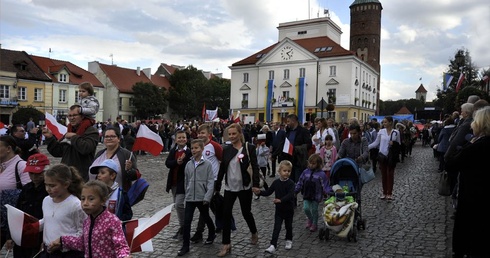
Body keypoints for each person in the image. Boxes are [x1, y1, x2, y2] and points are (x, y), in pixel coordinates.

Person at [446, 106, 490, 258]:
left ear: (482, 124)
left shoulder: (478, 145)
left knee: (473, 238)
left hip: (473, 199)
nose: (472, 125)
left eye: (475, 122)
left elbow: (451, 162)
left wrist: (467, 145)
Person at [48, 180, 132, 258]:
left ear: (103, 200)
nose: (85, 203)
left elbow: (120, 245)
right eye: (83, 199)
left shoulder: (113, 221)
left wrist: (124, 256)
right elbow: (83, 243)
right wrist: (62, 241)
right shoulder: (87, 221)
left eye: (91, 199)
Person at [215, 123, 260, 257]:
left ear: (240, 134)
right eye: (230, 134)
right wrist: (217, 185)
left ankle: (253, 231)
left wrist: (255, 184)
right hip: (230, 187)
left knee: (246, 212)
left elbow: (255, 166)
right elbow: (223, 168)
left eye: (234, 134)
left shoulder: (249, 148)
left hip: (244, 186)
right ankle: (226, 244)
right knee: (226, 214)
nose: (232, 136)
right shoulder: (226, 150)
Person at [5, 153, 50, 258]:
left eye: (38, 173)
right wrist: (10, 236)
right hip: (23, 236)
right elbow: (16, 212)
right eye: (31, 173)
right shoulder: (26, 189)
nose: (34, 177)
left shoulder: (50, 191)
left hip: (41, 236)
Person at [178, 139, 216, 256]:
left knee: (206, 216)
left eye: (196, 148)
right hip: (190, 197)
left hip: (202, 197)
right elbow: (186, 180)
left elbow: (210, 181)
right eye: (192, 148)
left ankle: (212, 232)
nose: (194, 150)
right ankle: (185, 246)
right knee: (187, 221)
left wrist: (207, 196)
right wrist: (187, 193)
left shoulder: (207, 164)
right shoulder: (189, 164)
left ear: (202, 149)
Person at [42, 104, 99, 181]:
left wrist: (73, 137)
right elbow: (57, 152)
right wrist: (50, 138)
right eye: (69, 116)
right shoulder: (69, 130)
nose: (71, 118)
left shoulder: (91, 131)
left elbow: (86, 148)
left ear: (82, 116)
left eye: (75, 115)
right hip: (66, 176)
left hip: (81, 176)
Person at [41, 164, 86, 257]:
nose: (48, 189)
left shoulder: (75, 204)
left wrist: (63, 243)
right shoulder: (46, 200)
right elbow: (49, 219)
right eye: (46, 185)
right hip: (48, 251)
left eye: (52, 186)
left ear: (66, 184)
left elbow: (83, 231)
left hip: (68, 253)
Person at [253, 160, 295, 254]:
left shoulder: (291, 183)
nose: (287, 173)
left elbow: (290, 195)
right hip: (279, 210)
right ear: (279, 171)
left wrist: (280, 200)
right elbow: (268, 192)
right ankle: (273, 245)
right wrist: (259, 192)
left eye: (289, 171)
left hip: (288, 210)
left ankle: (289, 239)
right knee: (277, 227)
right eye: (284, 171)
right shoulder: (276, 182)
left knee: (288, 226)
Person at [0, 136, 30, 249]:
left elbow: (29, 192)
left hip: (12, 218)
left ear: (8, 149)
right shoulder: (2, 165)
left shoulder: (21, 166)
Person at [165, 130, 191, 240]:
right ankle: (182, 228)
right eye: (179, 137)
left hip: (183, 183)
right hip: (173, 183)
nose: (181, 139)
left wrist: (182, 162)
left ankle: (185, 228)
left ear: (186, 139)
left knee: (179, 204)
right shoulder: (173, 151)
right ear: (175, 140)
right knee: (177, 204)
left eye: (183, 137)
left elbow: (189, 166)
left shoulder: (189, 152)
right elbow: (168, 163)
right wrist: (177, 162)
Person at [294, 154, 330, 232]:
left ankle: (314, 223)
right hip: (306, 194)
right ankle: (310, 219)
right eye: (310, 163)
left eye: (313, 163)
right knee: (306, 208)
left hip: (316, 196)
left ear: (318, 164)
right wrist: (296, 190)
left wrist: (328, 192)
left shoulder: (321, 174)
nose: (311, 165)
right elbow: (300, 182)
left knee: (314, 210)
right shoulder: (305, 172)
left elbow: (325, 185)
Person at [368, 116, 401, 200]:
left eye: (385, 122)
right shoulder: (381, 132)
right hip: (382, 156)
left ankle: (389, 193)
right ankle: (384, 192)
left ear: (390, 122)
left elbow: (399, 144)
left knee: (390, 175)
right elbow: (376, 143)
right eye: (383, 122)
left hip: (391, 156)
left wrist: (394, 143)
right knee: (383, 175)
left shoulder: (396, 132)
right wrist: (366, 147)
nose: (383, 123)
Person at [281, 114, 312, 183]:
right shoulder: (288, 132)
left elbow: (309, 144)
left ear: (293, 121)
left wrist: (298, 148)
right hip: (289, 159)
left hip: (299, 160)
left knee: (298, 181)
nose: (287, 123)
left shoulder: (303, 131)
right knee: (289, 181)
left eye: (288, 121)